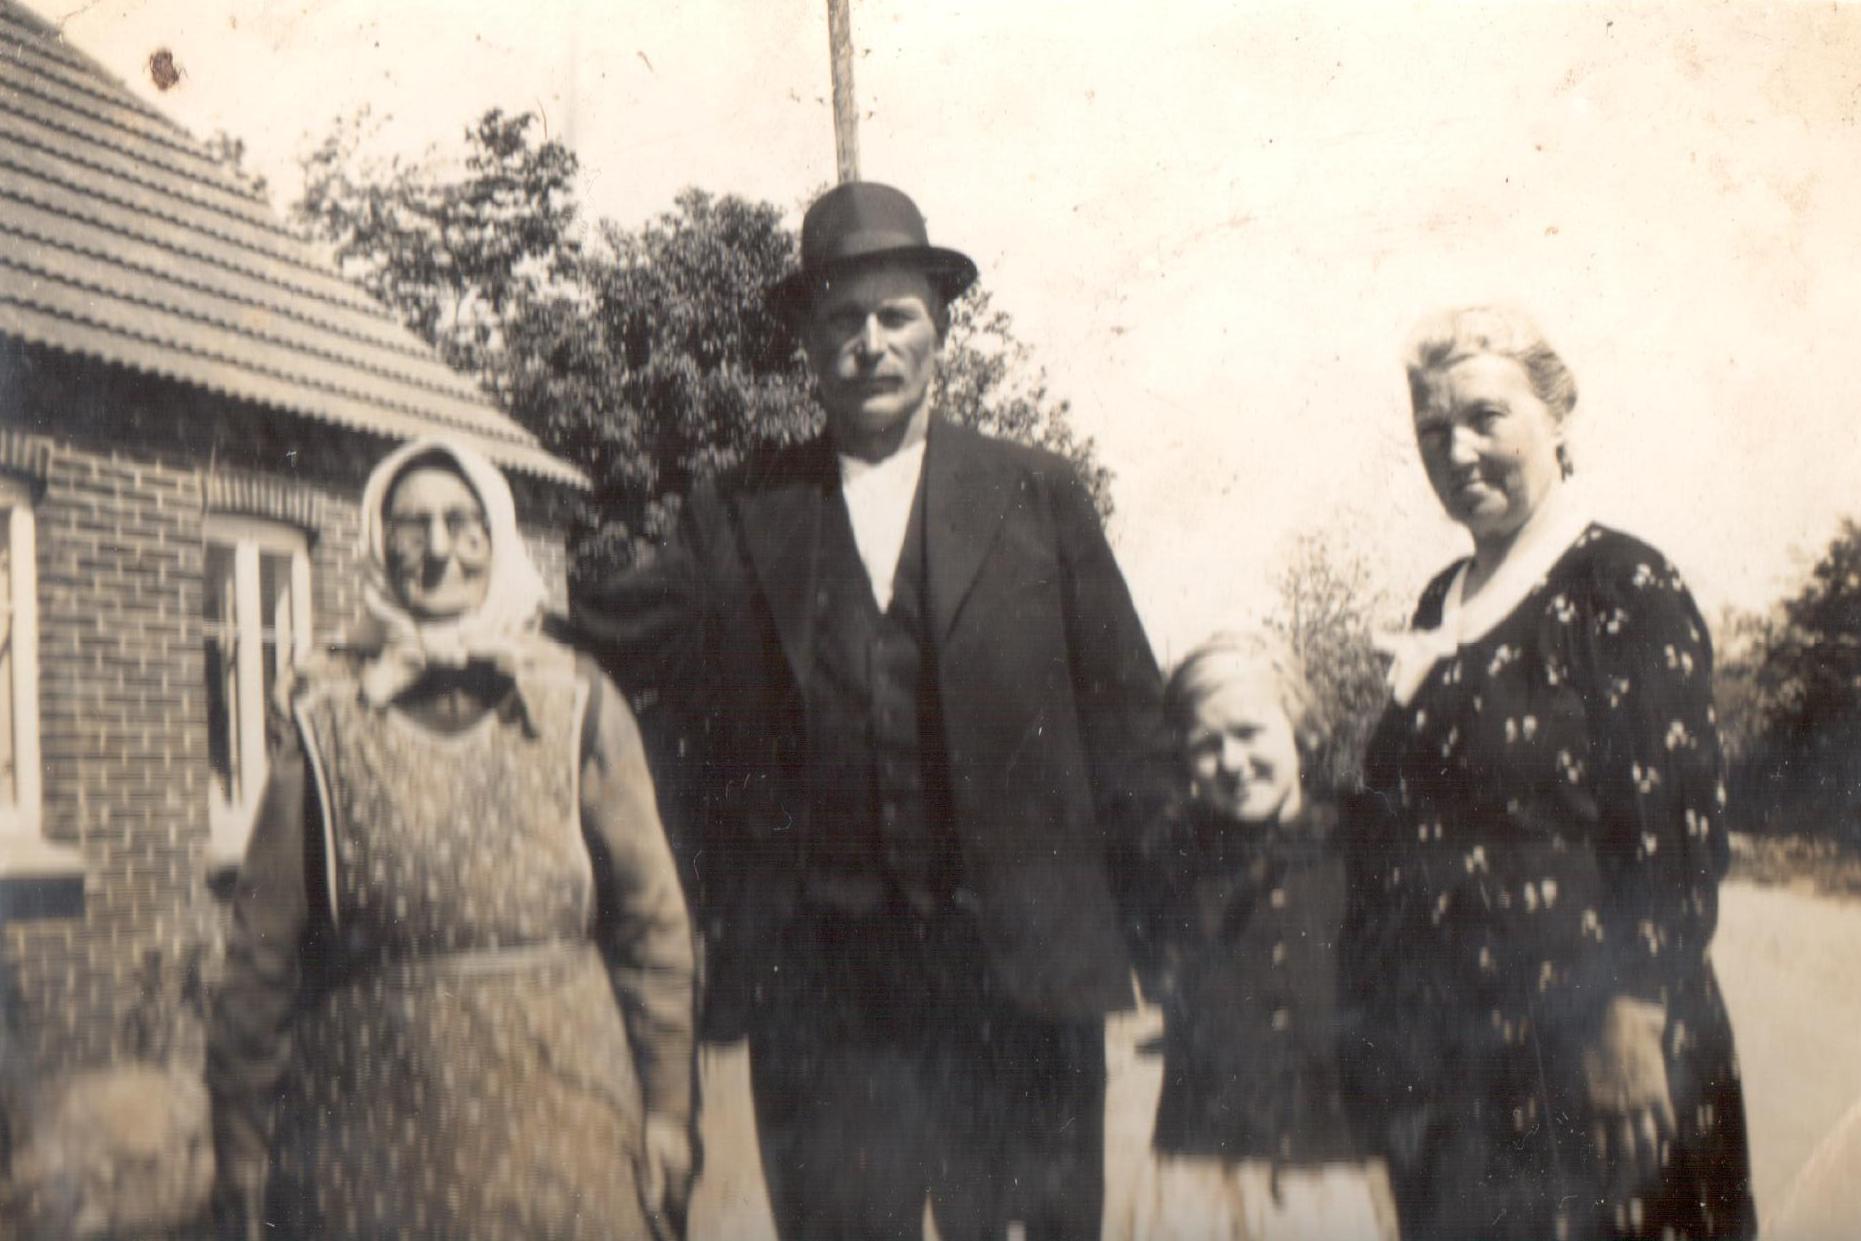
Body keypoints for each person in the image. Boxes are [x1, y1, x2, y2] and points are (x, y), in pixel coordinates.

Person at [571, 181, 1168, 1241]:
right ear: (807, 344)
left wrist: (1178, 945)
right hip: (825, 1001)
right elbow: (601, 631)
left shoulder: (1037, 496)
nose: (869, 344)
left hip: (1022, 989)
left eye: (895, 315)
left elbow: (1130, 732)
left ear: (940, 327)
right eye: (842, 320)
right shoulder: (740, 511)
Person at [206, 437, 697, 1241]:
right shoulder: (326, 712)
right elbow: (260, 953)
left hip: (567, 1127)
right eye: (412, 525)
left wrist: (669, 1111)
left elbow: (654, 931)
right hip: (370, 1141)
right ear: (378, 541)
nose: (438, 549)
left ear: (497, 536)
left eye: (463, 522)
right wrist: (241, 1146)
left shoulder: (575, 699)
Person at [1341, 307, 1757, 1238]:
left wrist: (1634, 1015)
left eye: (1483, 417)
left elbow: (1674, 828)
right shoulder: (1438, 602)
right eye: (1431, 428)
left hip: (1600, 1056)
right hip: (1459, 1069)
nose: (1456, 450)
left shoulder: (1620, 585)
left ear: (1557, 418)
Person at [1124, 632, 1398, 1241]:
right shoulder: (1173, 863)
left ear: (1298, 725)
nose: (1231, 761)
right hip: (1200, 1172)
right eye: (1207, 745)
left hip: (1325, 1169)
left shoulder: (1355, 850)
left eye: (1249, 732)